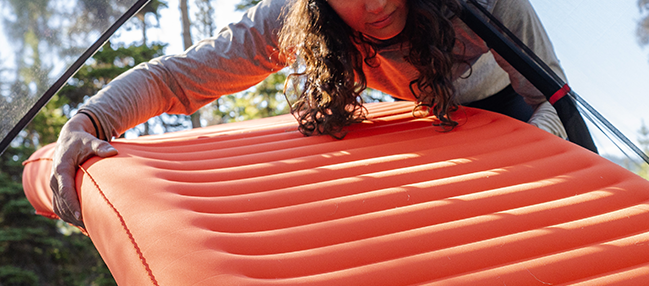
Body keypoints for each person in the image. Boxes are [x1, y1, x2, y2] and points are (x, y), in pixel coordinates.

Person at [49, 0, 570, 228]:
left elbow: (554, 99)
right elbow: (176, 78)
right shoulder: (291, 16)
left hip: (507, 103)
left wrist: (544, 168)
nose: (375, 6)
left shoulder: (485, 3)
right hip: (425, 113)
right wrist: (88, 122)